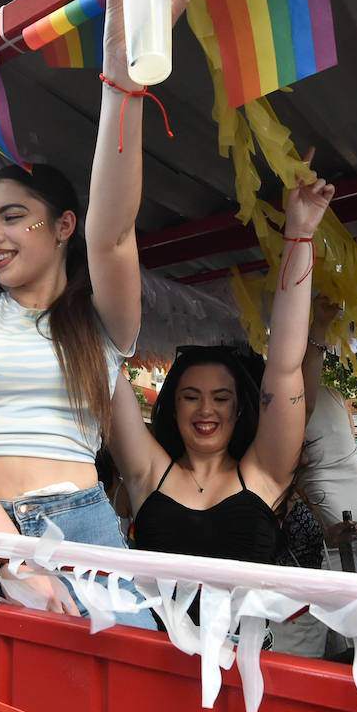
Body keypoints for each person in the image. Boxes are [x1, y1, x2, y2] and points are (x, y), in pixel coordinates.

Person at [0, 0, 188, 626]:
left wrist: (122, 73)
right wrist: (10, 559)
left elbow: (114, 232)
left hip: (83, 533)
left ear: (63, 227)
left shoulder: (100, 324)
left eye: (13, 217)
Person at [108, 161, 332, 625]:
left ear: (240, 407)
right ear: (172, 405)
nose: (205, 408)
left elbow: (286, 364)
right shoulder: (147, 472)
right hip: (153, 663)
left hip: (246, 672)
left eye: (221, 397)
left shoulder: (265, 474)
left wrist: (300, 235)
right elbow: (103, 362)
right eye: (190, 395)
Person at [270, 300, 357, 657]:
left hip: (335, 528)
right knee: (343, 622)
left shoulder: (287, 403)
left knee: (333, 628)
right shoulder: (333, 396)